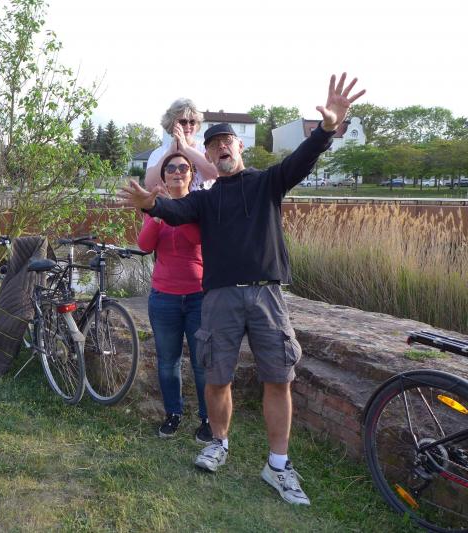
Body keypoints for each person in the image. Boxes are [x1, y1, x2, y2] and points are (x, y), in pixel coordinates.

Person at [118, 73, 365, 505]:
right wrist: (150, 204)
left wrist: (327, 129)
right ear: (208, 156)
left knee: (278, 378)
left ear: (239, 148)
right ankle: (218, 442)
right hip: (219, 297)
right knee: (217, 376)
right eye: (213, 145)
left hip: (267, 296)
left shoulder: (267, 183)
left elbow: (302, 160)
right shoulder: (205, 199)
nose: (221, 148)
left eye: (226, 142)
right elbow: (173, 210)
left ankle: (278, 465)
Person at [138, 153, 211, 442]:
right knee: (168, 361)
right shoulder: (155, 208)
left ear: (191, 174)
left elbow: (197, 238)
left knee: (201, 362)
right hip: (164, 298)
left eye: (183, 167)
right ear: (164, 176)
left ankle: (207, 418)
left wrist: (173, 210)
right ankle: (173, 413)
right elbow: (144, 246)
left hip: (198, 298)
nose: (177, 172)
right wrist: (158, 214)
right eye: (171, 168)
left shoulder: (199, 205)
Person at [144, 98, 218, 192]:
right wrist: (171, 152)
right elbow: (150, 185)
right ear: (172, 123)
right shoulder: (159, 153)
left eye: (192, 122)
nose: (188, 126)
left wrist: (186, 148)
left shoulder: (206, 149)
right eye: (183, 122)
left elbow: (217, 173)